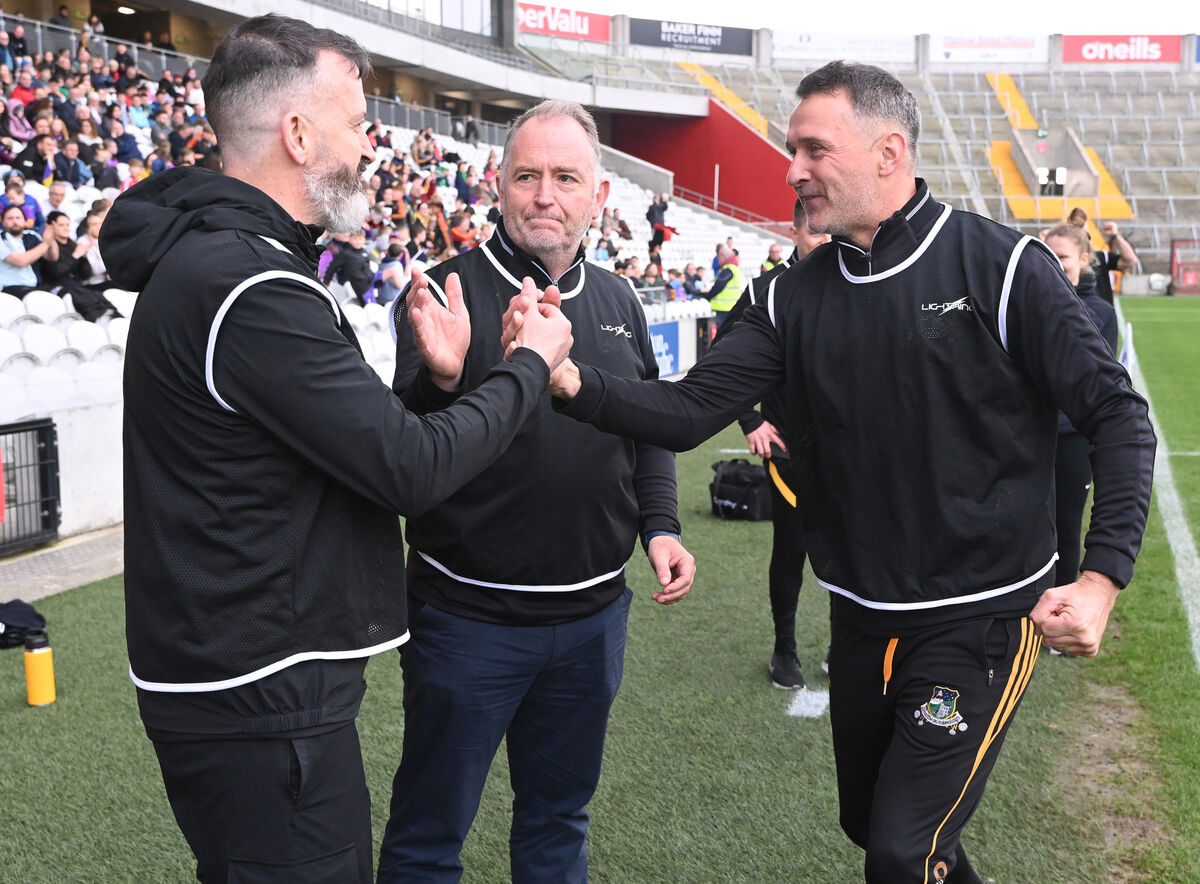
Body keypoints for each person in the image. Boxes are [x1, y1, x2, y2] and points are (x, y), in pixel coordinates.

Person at [516, 61, 1156, 884]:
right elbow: (685, 411)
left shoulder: (997, 267)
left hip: (980, 620)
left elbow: (1117, 414)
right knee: (872, 827)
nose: (793, 170)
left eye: (815, 149)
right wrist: (567, 379)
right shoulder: (790, 296)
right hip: (858, 617)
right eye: (791, 149)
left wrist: (1102, 577)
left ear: (889, 153)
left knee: (901, 849)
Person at [97, 15, 573, 883]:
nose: (370, 143)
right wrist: (528, 367)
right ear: (298, 133)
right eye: (357, 122)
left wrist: (437, 382)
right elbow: (411, 471)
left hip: (245, 689)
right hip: (260, 699)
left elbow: (352, 450)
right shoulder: (249, 285)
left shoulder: (229, 264)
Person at [377, 99, 694, 883]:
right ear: (499, 183)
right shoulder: (444, 291)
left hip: (592, 622)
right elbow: (403, 454)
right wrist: (446, 382)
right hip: (466, 622)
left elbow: (646, 424)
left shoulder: (620, 300)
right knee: (427, 836)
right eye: (527, 175)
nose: (544, 195)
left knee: (558, 825)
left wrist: (660, 524)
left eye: (564, 177)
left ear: (597, 196)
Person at [715, 199, 830, 689]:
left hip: (848, 451)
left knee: (852, 552)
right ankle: (785, 650)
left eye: (831, 235)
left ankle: (844, 647)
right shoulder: (766, 289)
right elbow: (724, 350)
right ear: (795, 232)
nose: (825, 245)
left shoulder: (857, 280)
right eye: (816, 236)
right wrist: (749, 419)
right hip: (789, 449)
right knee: (793, 549)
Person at [1042, 223, 1119, 598]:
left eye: (1063, 257)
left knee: (1067, 525)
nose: (1054, 264)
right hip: (1030, 433)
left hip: (1071, 437)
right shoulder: (1033, 298)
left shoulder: (1100, 311)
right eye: (1048, 255)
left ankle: (1061, 612)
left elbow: (1086, 376)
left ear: (1084, 259)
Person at [0, 202, 50, 296]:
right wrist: (46, 243)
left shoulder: (32, 235)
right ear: (3, 221)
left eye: (18, 218)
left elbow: (51, 257)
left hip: (33, 286)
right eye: (10, 218)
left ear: (25, 221)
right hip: (9, 288)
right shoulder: (1, 238)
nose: (15, 222)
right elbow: (21, 261)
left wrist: (51, 235)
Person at [704, 242, 742, 327]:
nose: (718, 259)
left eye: (719, 256)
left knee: (723, 334)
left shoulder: (727, 270)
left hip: (724, 308)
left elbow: (718, 286)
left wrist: (707, 296)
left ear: (724, 256)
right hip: (732, 307)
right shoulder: (734, 268)